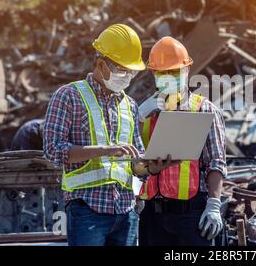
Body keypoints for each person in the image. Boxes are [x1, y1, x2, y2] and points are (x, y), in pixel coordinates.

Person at [43, 24, 148, 246]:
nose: (127, 76)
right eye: (122, 70)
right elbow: (53, 151)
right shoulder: (68, 96)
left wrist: (151, 164)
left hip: (126, 211)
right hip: (87, 210)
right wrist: (105, 150)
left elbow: (136, 161)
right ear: (101, 64)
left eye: (131, 71)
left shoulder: (130, 105)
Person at [134, 36, 227, 246]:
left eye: (174, 72)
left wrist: (213, 204)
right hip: (153, 216)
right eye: (162, 73)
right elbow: (129, 158)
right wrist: (138, 117)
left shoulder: (203, 109)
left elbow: (216, 161)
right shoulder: (145, 113)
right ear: (154, 74)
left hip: (191, 214)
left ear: (186, 71)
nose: (168, 77)